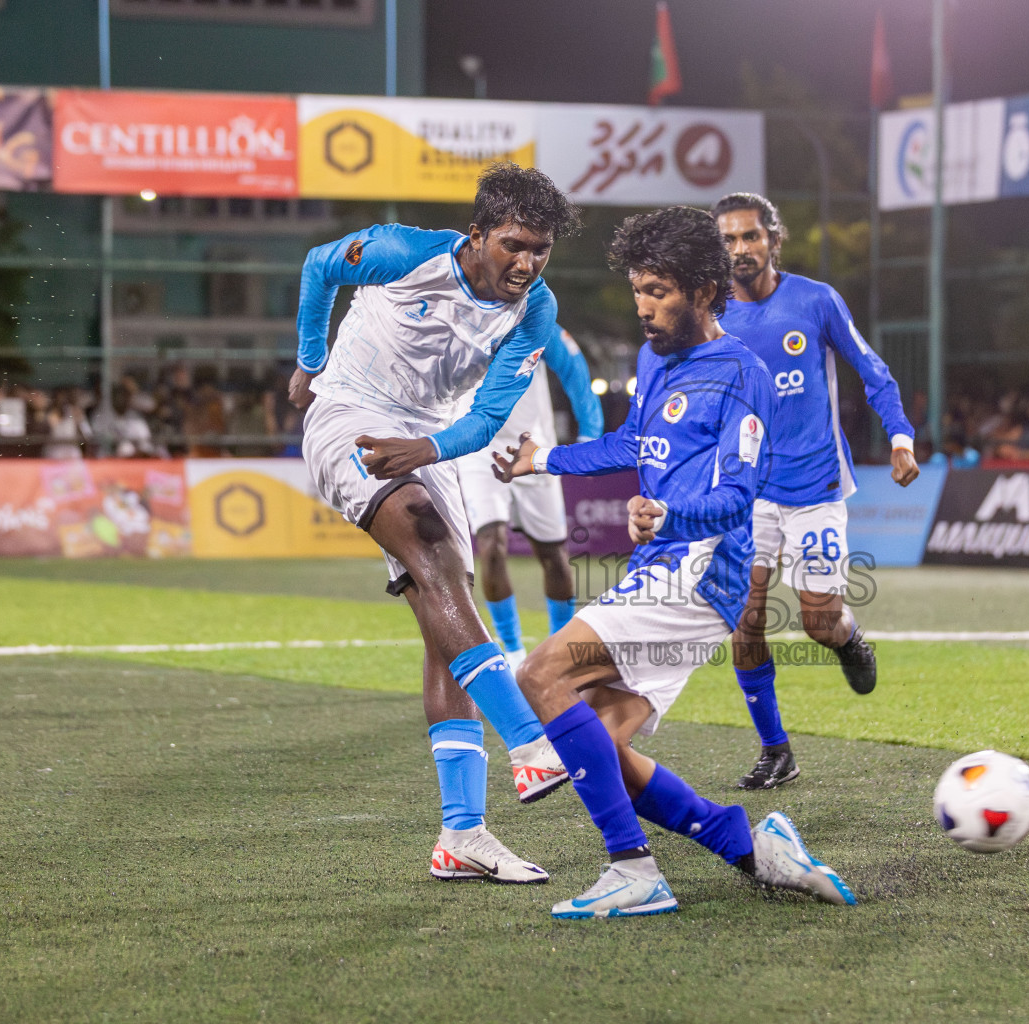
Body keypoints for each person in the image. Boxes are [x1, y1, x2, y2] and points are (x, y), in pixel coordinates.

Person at [494, 206, 857, 919]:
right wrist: (545, 461)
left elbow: (737, 497)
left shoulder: (740, 374)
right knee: (597, 746)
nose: (643, 307)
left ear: (700, 288)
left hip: (699, 574)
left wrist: (671, 515)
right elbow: (634, 440)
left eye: (657, 291)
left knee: (541, 673)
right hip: (663, 568)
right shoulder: (656, 358)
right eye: (637, 291)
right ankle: (746, 845)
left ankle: (633, 870)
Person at [289, 164, 581, 885]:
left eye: (540, 250)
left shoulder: (534, 311)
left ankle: (462, 835)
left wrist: (427, 448)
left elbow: (486, 418)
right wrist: (308, 363)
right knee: (436, 557)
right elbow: (320, 265)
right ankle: (528, 742)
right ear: (478, 233)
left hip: (432, 441)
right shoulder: (404, 250)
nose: (527, 263)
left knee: (443, 620)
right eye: (514, 244)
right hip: (352, 417)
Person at [711, 192, 919, 791]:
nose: (739, 249)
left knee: (816, 622)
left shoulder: (816, 300)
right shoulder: (713, 313)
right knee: (744, 620)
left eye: (750, 236)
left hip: (817, 486)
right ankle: (776, 750)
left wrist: (900, 437)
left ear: (774, 239)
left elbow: (872, 369)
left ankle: (848, 638)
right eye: (727, 240)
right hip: (747, 492)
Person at [458, 326, 603, 672]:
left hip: (532, 447)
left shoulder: (536, 316)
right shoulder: (458, 314)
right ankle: (512, 650)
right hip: (478, 449)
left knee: (553, 554)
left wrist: (590, 435)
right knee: (491, 545)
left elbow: (574, 370)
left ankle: (559, 646)